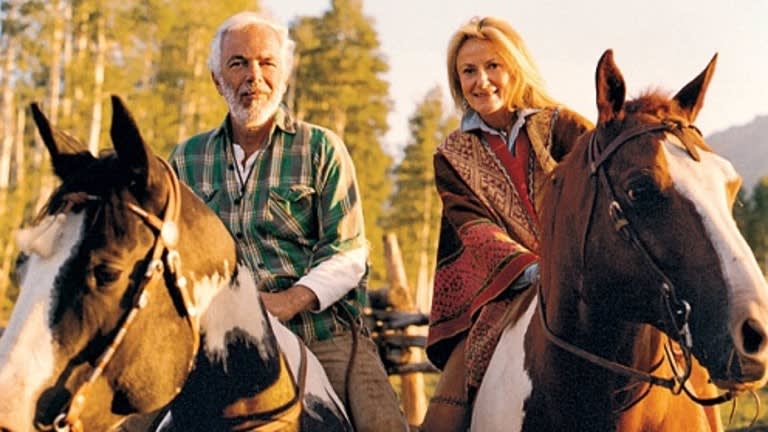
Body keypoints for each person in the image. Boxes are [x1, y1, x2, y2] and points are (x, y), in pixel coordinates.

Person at [168, 11, 408, 432]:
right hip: (214, 339)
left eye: (266, 63)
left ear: (285, 74)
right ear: (216, 78)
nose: (253, 77)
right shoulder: (186, 159)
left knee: (382, 424)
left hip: (319, 331)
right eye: (238, 63)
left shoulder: (321, 148)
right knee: (124, 419)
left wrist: (286, 301)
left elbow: (349, 254)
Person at [420, 16, 593, 432]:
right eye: (468, 71)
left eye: (493, 65)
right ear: (457, 80)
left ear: (515, 66)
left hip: (583, 278)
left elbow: (599, 194)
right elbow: (472, 227)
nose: (482, 81)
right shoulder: (452, 154)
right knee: (444, 415)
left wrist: (567, 268)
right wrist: (531, 270)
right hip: (504, 292)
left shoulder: (565, 126)